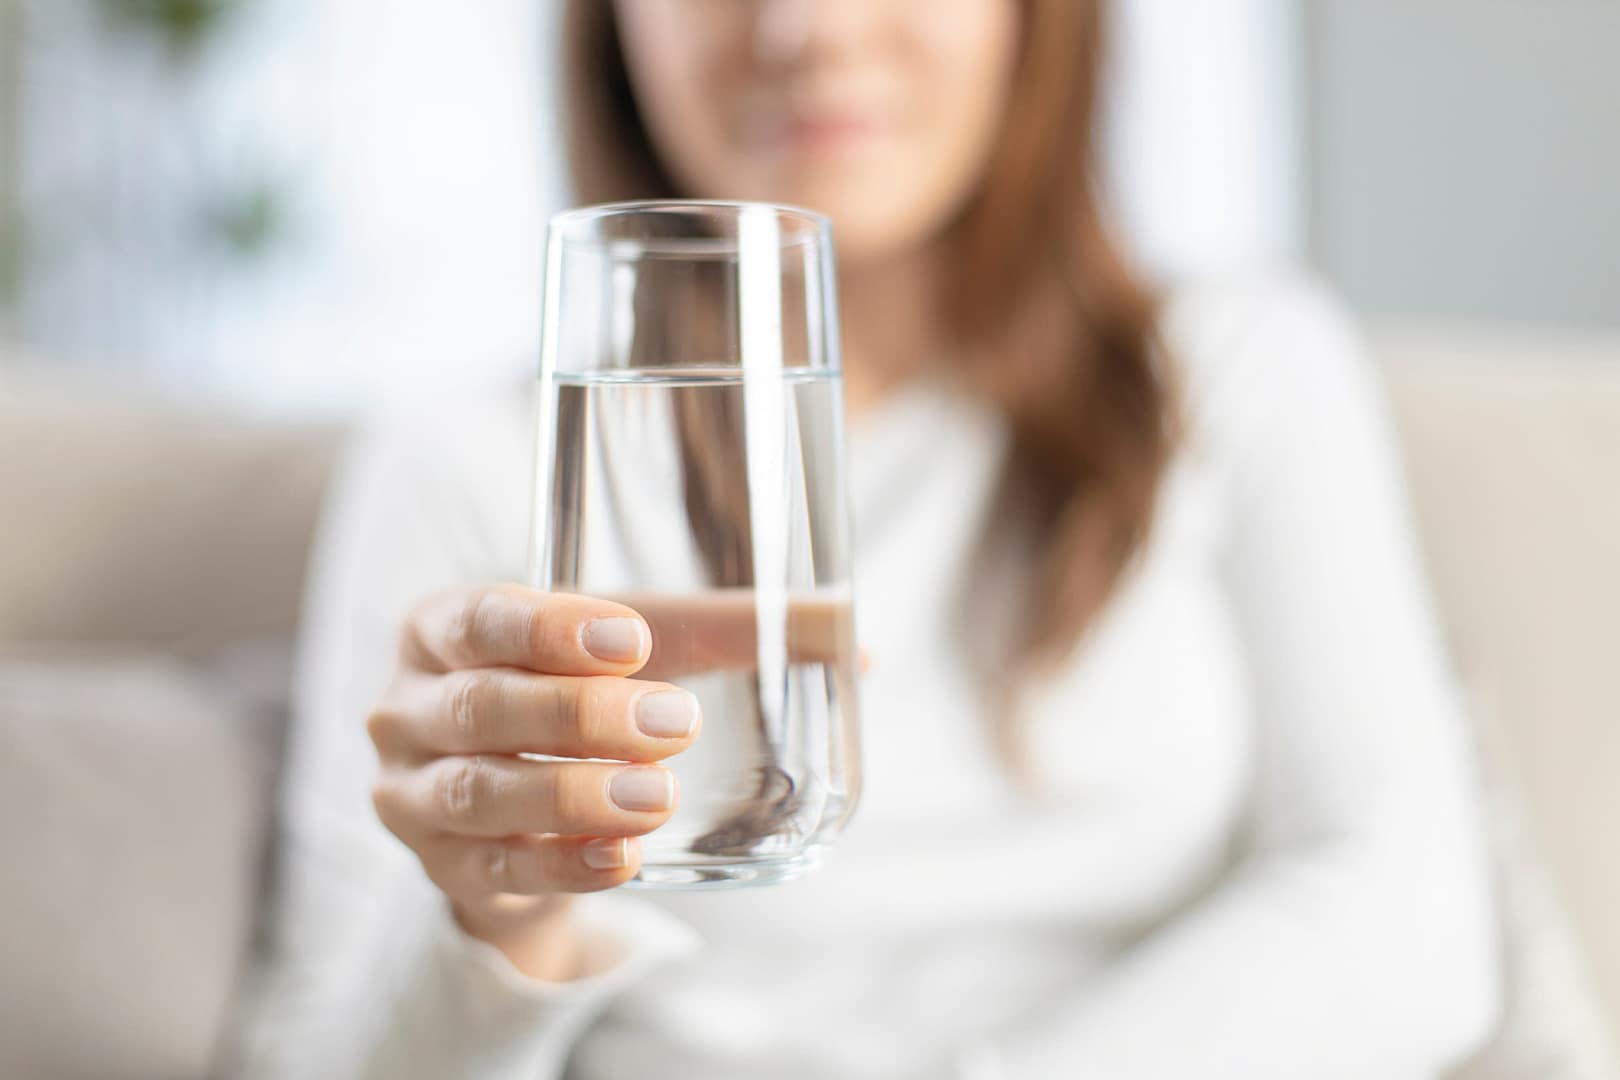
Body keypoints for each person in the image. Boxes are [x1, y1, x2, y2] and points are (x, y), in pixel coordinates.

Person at [240, 2, 1500, 1076]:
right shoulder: (476, 461)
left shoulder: (1232, 370)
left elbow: (1409, 915)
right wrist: (493, 924)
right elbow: (312, 1052)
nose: (809, 29)